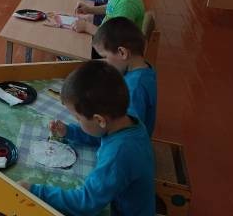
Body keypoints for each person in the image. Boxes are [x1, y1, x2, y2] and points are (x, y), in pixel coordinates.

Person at [19, 61, 155, 216]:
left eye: (78, 118)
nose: (77, 121)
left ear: (99, 120)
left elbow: (85, 203)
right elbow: (99, 134)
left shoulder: (119, 154)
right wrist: (69, 131)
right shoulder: (126, 121)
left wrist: (34, 192)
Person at [94, 17, 157, 136]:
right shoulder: (145, 69)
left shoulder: (134, 89)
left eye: (105, 57)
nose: (105, 62)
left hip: (127, 143)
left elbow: (125, 133)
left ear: (122, 53)